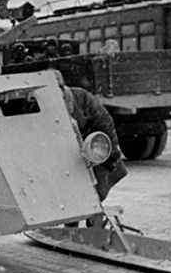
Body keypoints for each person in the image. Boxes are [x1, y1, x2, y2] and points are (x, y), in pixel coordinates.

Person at [53, 70, 127, 201]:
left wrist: (109, 155)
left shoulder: (81, 98)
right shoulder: (42, 105)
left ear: (62, 87)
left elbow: (105, 124)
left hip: (92, 149)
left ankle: (93, 217)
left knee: (97, 192)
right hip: (66, 156)